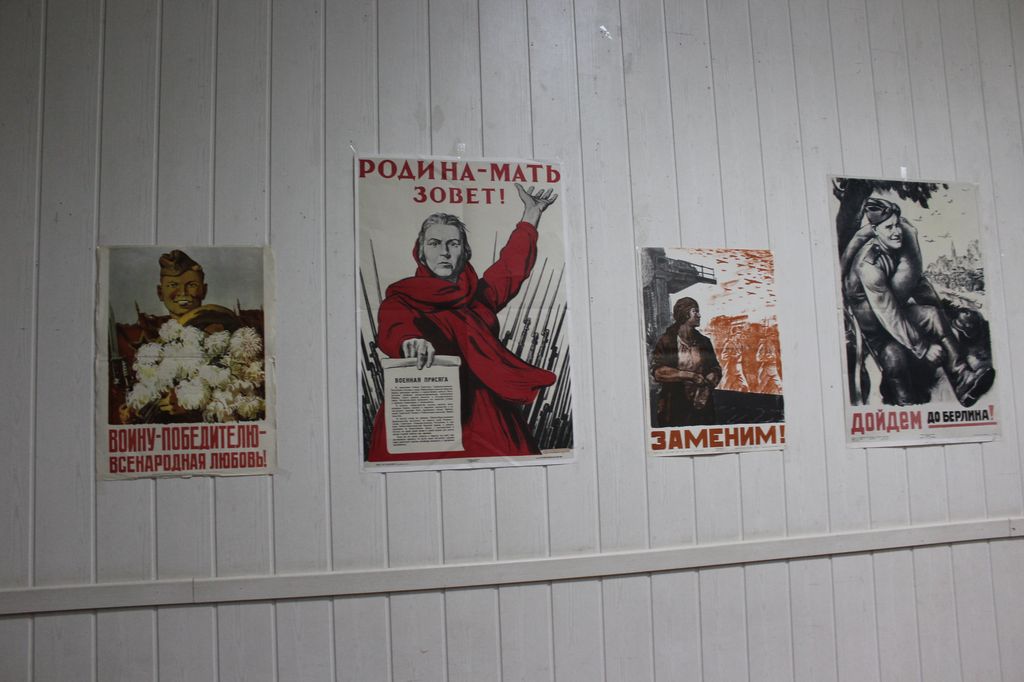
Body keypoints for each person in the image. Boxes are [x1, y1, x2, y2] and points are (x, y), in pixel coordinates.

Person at [367, 184, 558, 460]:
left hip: (486, 414)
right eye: (434, 243)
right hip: (427, 408)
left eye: (453, 244)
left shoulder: (478, 296)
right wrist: (410, 341)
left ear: (464, 251)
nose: (444, 252)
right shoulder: (403, 297)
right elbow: (396, 324)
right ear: (421, 253)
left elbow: (512, 268)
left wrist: (531, 215)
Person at [842, 197, 994, 406]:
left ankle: (963, 379)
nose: (896, 231)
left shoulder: (897, 247)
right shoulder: (869, 266)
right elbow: (887, 313)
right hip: (876, 330)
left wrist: (947, 315)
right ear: (875, 231)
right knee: (894, 357)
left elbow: (918, 284)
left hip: (895, 314)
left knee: (932, 315)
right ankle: (907, 407)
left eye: (897, 225)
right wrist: (924, 348)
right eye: (889, 227)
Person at [111, 249, 263, 423]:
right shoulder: (156, 339)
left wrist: (190, 406)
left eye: (191, 285)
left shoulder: (221, 329)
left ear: (203, 290)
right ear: (160, 292)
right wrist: (136, 411)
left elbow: (242, 396)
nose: (182, 292)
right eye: (172, 285)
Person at [650, 297, 722, 426]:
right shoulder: (667, 341)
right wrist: (690, 376)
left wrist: (712, 378)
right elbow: (657, 372)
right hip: (674, 406)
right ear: (685, 313)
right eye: (695, 311)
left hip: (702, 406)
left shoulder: (704, 342)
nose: (699, 315)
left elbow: (715, 368)